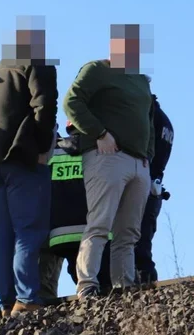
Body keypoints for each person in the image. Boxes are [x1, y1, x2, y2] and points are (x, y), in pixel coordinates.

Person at [0, 23, 58, 316]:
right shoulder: (37, 63)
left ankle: (7, 302)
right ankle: (28, 299)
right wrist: (42, 148)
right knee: (28, 231)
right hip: (22, 160)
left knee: (3, 235)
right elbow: (45, 106)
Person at [63, 24, 154, 297]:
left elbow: (148, 117)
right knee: (100, 224)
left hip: (139, 163)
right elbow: (72, 101)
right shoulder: (97, 69)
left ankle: (124, 287)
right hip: (107, 158)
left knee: (128, 232)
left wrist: (148, 155)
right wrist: (100, 133)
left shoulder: (140, 80)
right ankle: (87, 286)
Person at [39, 125, 112, 299]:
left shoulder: (53, 151)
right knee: (103, 285)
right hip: (94, 234)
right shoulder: (102, 150)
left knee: (72, 271)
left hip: (60, 237)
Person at [135, 94, 173, 283]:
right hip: (154, 187)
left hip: (142, 184)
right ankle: (146, 283)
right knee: (143, 244)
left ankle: (142, 284)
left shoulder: (148, 115)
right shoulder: (165, 121)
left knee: (135, 244)